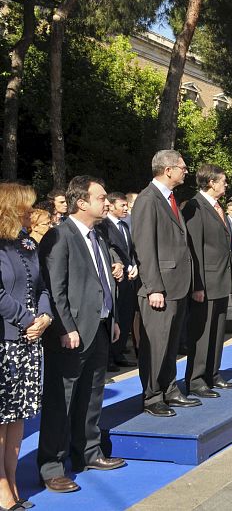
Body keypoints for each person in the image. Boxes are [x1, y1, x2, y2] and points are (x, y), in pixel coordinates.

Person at [38, 176, 126, 493]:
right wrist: (65, 327)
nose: (106, 202)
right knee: (61, 401)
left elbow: (101, 280)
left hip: (99, 328)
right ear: (82, 202)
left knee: (91, 397)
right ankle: (52, 466)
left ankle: (88, 452)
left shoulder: (98, 235)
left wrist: (111, 317)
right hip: (71, 333)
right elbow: (54, 287)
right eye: (100, 197)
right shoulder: (59, 236)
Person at [132, 150, 199, 417]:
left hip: (177, 284)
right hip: (160, 287)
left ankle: (169, 388)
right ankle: (152, 396)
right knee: (156, 344)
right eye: (182, 167)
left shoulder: (169, 198)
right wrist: (154, 287)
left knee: (170, 342)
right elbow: (145, 247)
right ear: (167, 169)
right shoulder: (148, 200)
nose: (186, 171)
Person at [0, 183, 53, 508]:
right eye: (26, 205)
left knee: (18, 416)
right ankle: (1, 485)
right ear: (10, 207)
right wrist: (27, 319)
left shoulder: (26, 244)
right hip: (4, 343)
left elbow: (42, 285)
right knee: (1, 417)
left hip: (29, 343)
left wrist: (44, 317)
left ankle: (12, 477)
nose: (31, 212)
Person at [182, 164, 232, 398]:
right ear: (211, 182)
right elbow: (193, 249)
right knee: (202, 333)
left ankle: (213, 374)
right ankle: (196, 380)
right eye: (222, 181)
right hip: (205, 283)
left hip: (221, 280)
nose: (225, 184)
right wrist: (197, 285)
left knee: (217, 330)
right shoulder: (195, 206)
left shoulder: (216, 207)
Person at [96, 191, 139, 370]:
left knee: (126, 315)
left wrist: (134, 265)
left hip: (129, 279)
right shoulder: (104, 226)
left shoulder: (125, 226)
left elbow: (131, 250)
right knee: (115, 318)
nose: (126, 208)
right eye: (122, 205)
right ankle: (109, 358)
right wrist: (121, 266)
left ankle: (118, 352)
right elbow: (111, 249)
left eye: (126, 205)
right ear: (111, 206)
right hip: (116, 278)